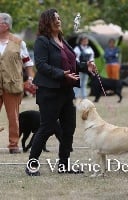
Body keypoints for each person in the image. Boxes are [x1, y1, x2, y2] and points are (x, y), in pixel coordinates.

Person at [25, 8, 96, 176]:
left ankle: (64, 165)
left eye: (59, 18)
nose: (58, 21)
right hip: (49, 92)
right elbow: (40, 65)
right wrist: (60, 73)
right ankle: (31, 165)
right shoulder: (42, 41)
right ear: (46, 22)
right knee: (47, 128)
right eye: (54, 18)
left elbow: (73, 63)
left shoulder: (62, 40)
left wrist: (86, 66)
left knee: (68, 128)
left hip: (66, 91)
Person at [0, 13, 34, 154]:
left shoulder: (19, 42)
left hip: (13, 84)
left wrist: (30, 78)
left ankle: (13, 145)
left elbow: (28, 63)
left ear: (6, 25)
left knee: (13, 116)